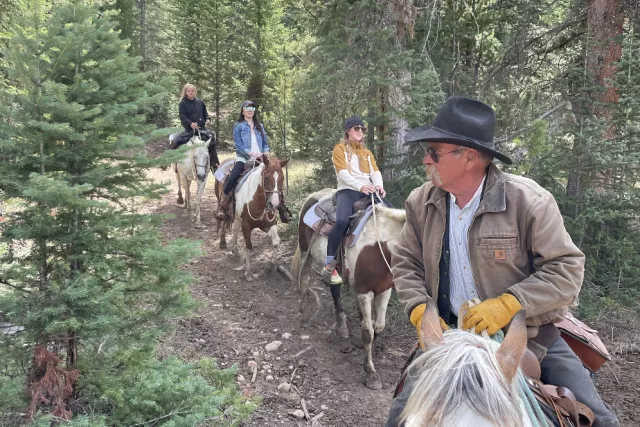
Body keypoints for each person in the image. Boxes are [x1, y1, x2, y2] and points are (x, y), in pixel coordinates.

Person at [385, 96, 619, 427]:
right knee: (397, 418)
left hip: (530, 336)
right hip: (449, 338)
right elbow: (406, 264)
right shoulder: (420, 202)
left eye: (433, 151)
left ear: (468, 157)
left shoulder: (530, 201)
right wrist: (419, 309)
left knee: (602, 421)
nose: (425, 159)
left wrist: (509, 304)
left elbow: (566, 269)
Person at [320, 116, 387, 285]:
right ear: (348, 131)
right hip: (348, 191)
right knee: (341, 221)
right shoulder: (339, 149)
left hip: (369, 191)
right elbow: (342, 173)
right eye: (356, 128)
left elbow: (375, 172)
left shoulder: (366, 152)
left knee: (390, 215)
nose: (360, 131)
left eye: (362, 129)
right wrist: (360, 186)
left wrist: (379, 185)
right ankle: (329, 264)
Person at [216, 100, 290, 223]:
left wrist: (265, 152)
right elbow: (238, 144)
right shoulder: (238, 126)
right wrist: (249, 153)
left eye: (252, 109)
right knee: (233, 176)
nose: (250, 111)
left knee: (275, 178)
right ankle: (223, 205)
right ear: (242, 111)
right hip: (244, 158)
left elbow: (265, 144)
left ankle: (282, 209)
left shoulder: (260, 126)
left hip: (261, 159)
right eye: (247, 109)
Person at [169, 83, 220, 172]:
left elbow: (205, 114)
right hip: (188, 130)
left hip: (201, 129)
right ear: (186, 92)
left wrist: (208, 120)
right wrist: (190, 123)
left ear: (195, 92)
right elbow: (182, 116)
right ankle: (166, 161)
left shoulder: (200, 102)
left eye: (193, 91)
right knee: (176, 140)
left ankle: (214, 164)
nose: (191, 92)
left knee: (211, 138)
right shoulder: (182, 103)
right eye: (189, 91)